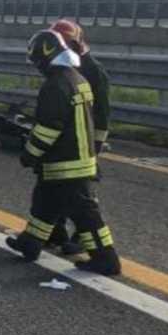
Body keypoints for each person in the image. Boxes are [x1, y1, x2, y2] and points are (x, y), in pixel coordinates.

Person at [6, 30, 121, 276]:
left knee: (85, 215)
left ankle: (106, 259)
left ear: (44, 59)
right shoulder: (77, 79)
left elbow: (49, 128)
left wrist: (29, 153)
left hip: (67, 164)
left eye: (37, 62)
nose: (37, 67)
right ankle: (30, 242)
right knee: (44, 202)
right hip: (73, 160)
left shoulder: (55, 85)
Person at [46, 19, 112, 255]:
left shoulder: (94, 71)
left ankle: (84, 237)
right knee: (56, 184)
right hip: (66, 140)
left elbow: (102, 116)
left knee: (82, 193)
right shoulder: (62, 65)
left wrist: (95, 148)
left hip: (85, 143)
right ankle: (57, 231)